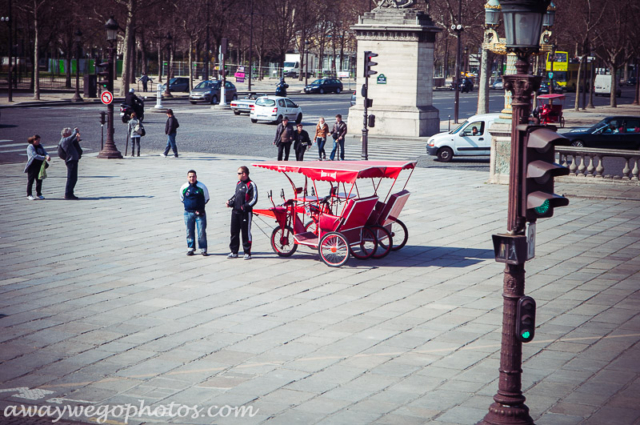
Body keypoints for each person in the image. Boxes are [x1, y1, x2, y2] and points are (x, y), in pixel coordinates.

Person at [226, 166, 258, 260]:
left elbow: (254, 199)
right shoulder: (239, 183)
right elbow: (236, 195)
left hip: (245, 213)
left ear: (244, 174)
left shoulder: (251, 184)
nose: (237, 175)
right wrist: (230, 202)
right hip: (235, 212)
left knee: (245, 233)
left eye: (239, 173)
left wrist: (245, 206)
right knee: (234, 232)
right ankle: (234, 251)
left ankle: (247, 252)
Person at [180, 170, 210, 256]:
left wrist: (199, 207)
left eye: (193, 176)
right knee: (189, 231)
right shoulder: (184, 187)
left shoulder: (202, 186)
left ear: (196, 177)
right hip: (188, 213)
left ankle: (203, 249)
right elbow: (182, 198)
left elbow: (207, 198)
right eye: (190, 176)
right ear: (187, 177)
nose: (192, 178)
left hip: (200, 213)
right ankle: (190, 248)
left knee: (201, 231)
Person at [24, 135, 50, 200]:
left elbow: (44, 152)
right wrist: (44, 157)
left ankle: (39, 194)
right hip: (32, 165)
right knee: (31, 180)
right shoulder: (30, 147)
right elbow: (34, 156)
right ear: (34, 140)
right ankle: (29, 194)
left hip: (39, 165)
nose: (39, 142)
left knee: (39, 180)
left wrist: (47, 156)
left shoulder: (40, 146)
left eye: (39, 140)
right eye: (37, 140)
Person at [59, 127, 82, 200]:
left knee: (74, 178)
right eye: (69, 134)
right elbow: (72, 137)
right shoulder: (64, 140)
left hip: (74, 160)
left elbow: (74, 140)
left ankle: (70, 193)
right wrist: (75, 131)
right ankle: (68, 194)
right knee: (71, 178)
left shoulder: (67, 140)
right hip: (70, 160)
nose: (71, 135)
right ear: (66, 134)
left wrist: (77, 138)